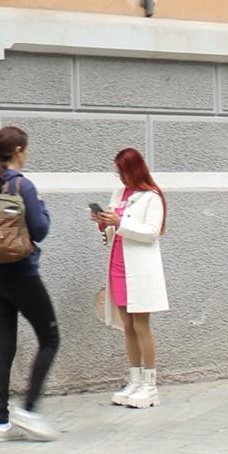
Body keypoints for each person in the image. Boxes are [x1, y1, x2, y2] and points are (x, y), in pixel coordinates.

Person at [0, 125, 60, 443]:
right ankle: (30, 409)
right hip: (22, 274)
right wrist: (44, 208)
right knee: (50, 338)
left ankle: (0, 424)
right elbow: (39, 230)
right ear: (20, 150)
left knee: (4, 346)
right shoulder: (24, 186)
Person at [92, 147, 169, 409]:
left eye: (123, 172)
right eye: (118, 173)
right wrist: (103, 222)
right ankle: (135, 380)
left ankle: (150, 385)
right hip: (118, 264)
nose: (120, 177)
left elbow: (151, 232)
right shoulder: (119, 194)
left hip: (140, 269)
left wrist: (120, 221)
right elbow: (115, 227)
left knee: (141, 325)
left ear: (134, 170)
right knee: (126, 325)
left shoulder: (152, 197)